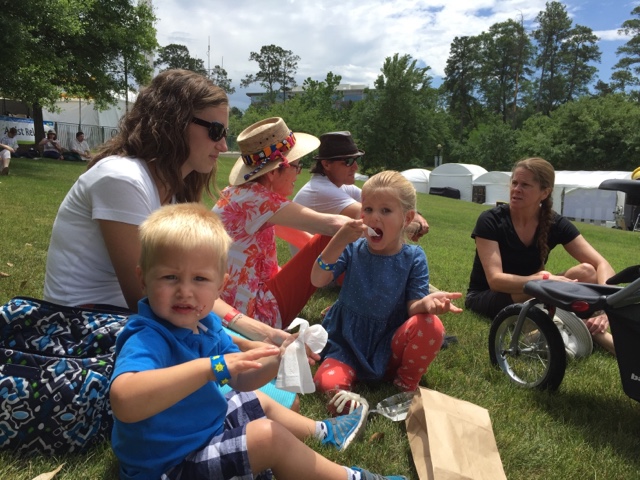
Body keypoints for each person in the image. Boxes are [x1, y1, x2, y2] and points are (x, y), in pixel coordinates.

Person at [43, 69, 301, 409]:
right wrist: (237, 345)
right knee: (280, 404)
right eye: (215, 131)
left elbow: (184, 289)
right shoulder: (122, 179)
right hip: (90, 332)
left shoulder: (170, 192)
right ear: (173, 122)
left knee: (283, 398)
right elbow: (149, 298)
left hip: (138, 324)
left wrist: (260, 332)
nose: (222, 145)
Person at [109, 202, 406, 480]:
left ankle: (323, 433)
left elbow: (242, 379)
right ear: (143, 279)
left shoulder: (206, 323)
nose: (185, 291)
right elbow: (124, 401)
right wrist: (210, 368)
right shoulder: (147, 335)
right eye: (170, 277)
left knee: (252, 399)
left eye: (199, 279)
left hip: (200, 432)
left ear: (220, 286)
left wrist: (278, 358)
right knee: (268, 437)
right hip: (169, 464)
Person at [311, 171, 463, 412]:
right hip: (347, 343)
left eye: (385, 210)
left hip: (389, 345)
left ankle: (405, 384)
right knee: (326, 383)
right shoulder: (352, 248)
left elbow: (413, 306)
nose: (374, 217)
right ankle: (351, 405)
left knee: (431, 325)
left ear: (407, 218)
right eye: (368, 209)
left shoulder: (413, 258)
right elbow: (318, 279)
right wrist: (338, 240)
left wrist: (426, 304)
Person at [465, 157, 615, 354]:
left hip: (536, 290)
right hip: (487, 297)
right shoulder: (491, 220)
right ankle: (597, 335)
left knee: (587, 271)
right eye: (514, 182)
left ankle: (571, 324)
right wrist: (544, 281)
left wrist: (606, 307)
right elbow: (495, 281)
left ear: (544, 193)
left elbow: (601, 264)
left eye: (525, 185)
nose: (516, 189)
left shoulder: (554, 222)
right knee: (541, 287)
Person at [213, 117, 351, 330]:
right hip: (256, 314)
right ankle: (356, 302)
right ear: (273, 172)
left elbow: (302, 241)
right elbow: (334, 225)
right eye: (296, 166)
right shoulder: (259, 200)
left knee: (326, 242)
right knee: (332, 236)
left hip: (229, 304)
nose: (298, 173)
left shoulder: (239, 195)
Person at [293, 131, 429, 241]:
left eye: (355, 160)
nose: (355, 167)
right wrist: (413, 225)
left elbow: (380, 200)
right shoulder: (321, 190)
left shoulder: (338, 186)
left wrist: (416, 215)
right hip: (318, 265)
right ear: (326, 164)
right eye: (348, 161)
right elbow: (370, 219)